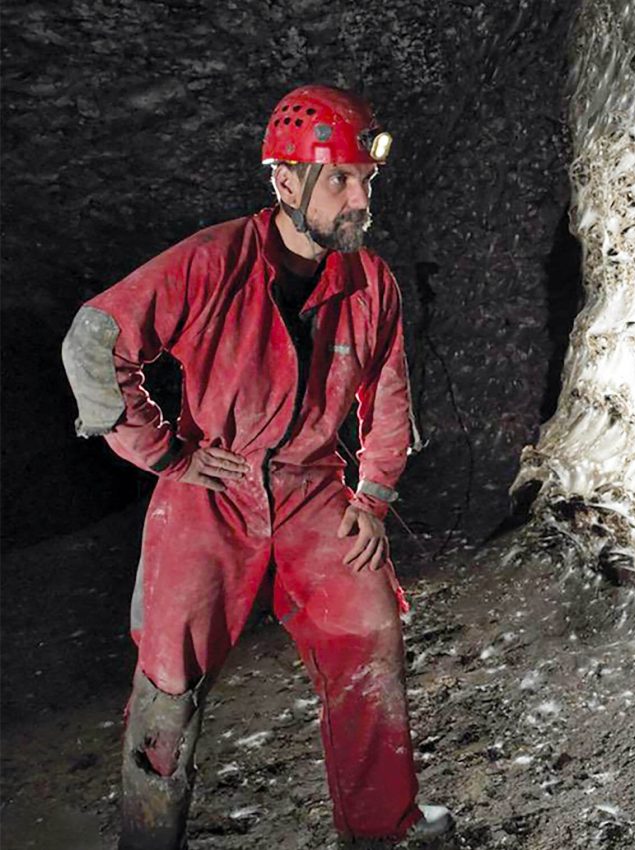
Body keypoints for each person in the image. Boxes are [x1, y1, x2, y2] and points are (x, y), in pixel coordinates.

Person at [60, 84, 451, 848]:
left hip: (316, 491)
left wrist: (372, 498)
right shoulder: (213, 261)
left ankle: (382, 831)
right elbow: (96, 340)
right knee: (168, 677)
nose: (357, 199)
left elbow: (390, 399)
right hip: (213, 490)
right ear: (284, 181)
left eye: (363, 180)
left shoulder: (371, 282)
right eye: (339, 179)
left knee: (368, 630)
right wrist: (163, 451)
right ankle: (147, 839)